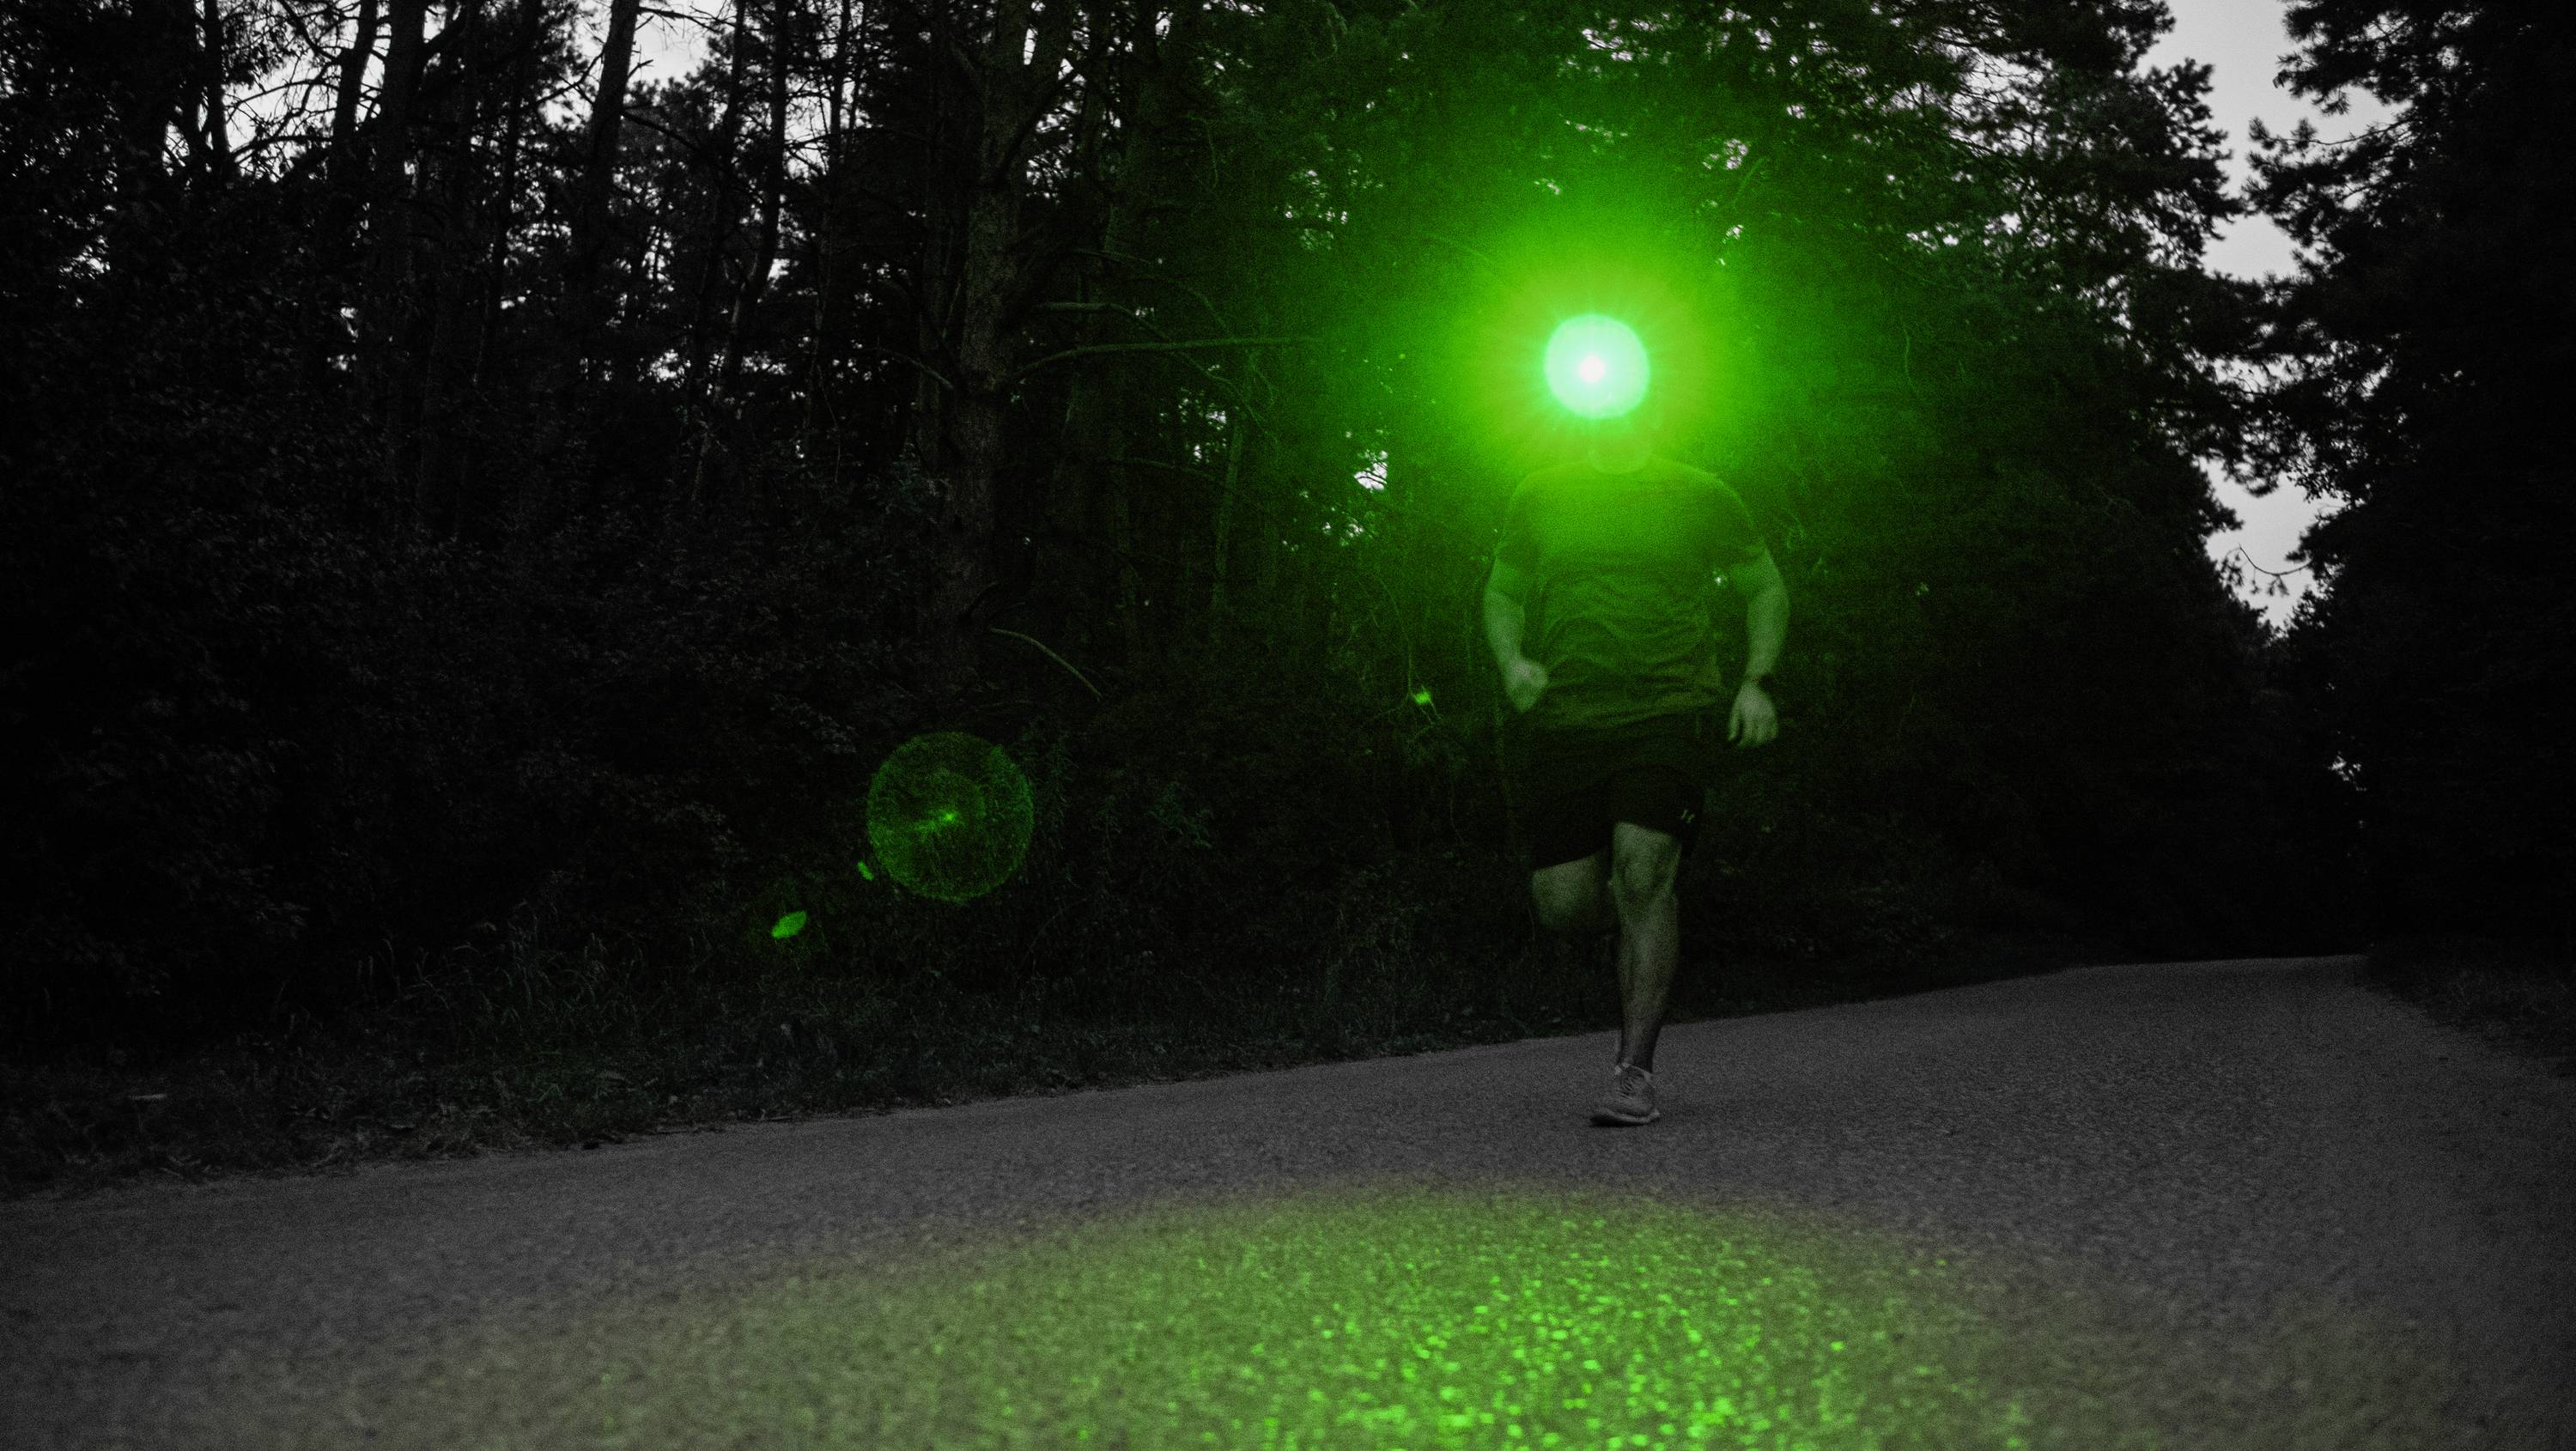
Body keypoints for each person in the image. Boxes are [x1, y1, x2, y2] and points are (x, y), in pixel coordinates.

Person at [1484, 392, 1789, 1126]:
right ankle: (1647, 927)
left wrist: (1757, 681)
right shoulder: (1541, 493)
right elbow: (1502, 592)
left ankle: (1633, 1073)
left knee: (1643, 873)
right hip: (1570, 719)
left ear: (1652, 411)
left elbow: (1765, 587)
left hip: (1668, 711)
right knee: (1563, 906)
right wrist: (1512, 661)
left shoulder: (1700, 494)